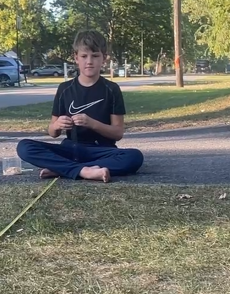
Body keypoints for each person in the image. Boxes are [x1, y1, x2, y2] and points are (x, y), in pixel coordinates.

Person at [17, 30, 144, 183]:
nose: (89, 61)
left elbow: (117, 133)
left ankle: (63, 169)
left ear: (104, 58)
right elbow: (52, 133)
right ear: (76, 58)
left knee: (134, 157)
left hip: (101, 151)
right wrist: (57, 125)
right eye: (84, 56)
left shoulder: (111, 89)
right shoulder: (65, 89)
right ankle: (84, 170)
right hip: (70, 149)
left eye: (95, 56)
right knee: (24, 147)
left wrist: (92, 124)